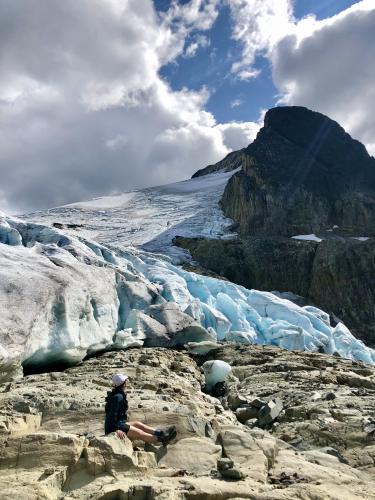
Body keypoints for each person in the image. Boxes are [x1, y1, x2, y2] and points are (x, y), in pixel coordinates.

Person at [104, 373, 176, 444]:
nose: (127, 381)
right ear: (123, 383)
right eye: (126, 380)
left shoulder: (118, 394)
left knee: (138, 424)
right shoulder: (118, 397)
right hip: (113, 427)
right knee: (140, 433)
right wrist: (117, 430)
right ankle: (163, 439)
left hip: (117, 423)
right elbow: (112, 416)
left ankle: (160, 433)